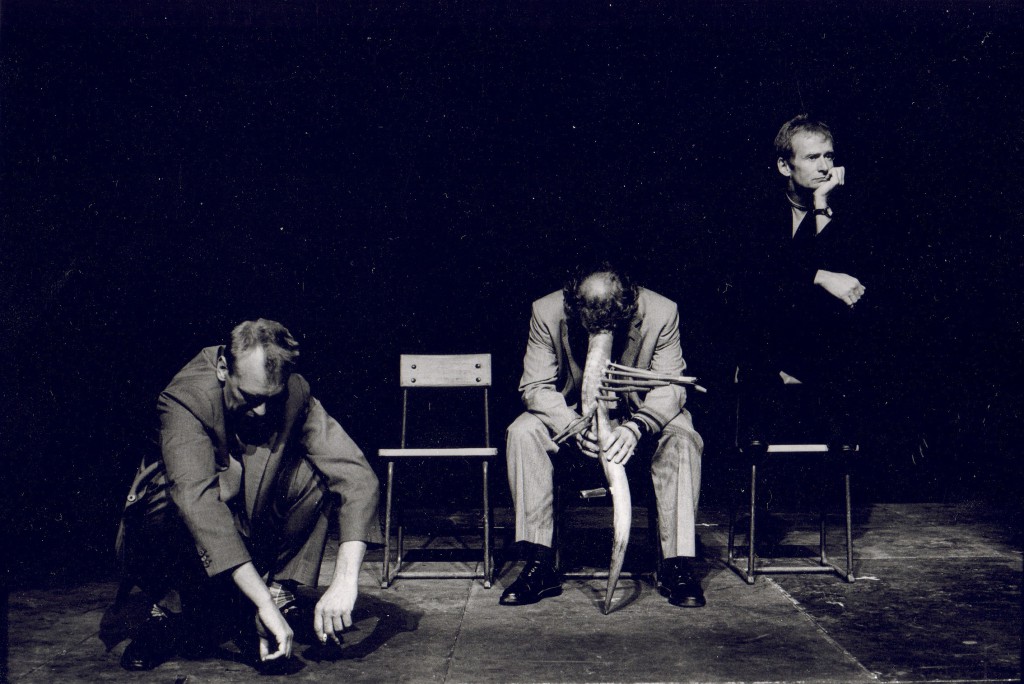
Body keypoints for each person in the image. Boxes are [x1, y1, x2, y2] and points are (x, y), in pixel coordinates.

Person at [115, 319, 382, 671]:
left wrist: (345, 582)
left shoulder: (293, 392)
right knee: (167, 494)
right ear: (223, 368)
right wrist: (261, 606)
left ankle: (280, 592)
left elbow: (357, 476)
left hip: (245, 516)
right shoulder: (185, 397)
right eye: (251, 398)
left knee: (318, 474)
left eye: (271, 399)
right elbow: (198, 505)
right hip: (181, 527)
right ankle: (167, 609)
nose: (262, 412)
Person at [502, 263, 706, 608]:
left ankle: (677, 565)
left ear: (629, 304)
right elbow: (535, 386)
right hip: (572, 419)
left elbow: (671, 386)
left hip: (636, 417)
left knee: (683, 436)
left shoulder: (662, 311)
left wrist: (637, 426)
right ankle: (539, 562)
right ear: (574, 305)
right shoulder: (546, 311)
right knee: (522, 432)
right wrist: (573, 424)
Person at [737, 114, 868, 448]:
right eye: (812, 157)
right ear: (785, 166)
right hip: (767, 340)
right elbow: (753, 276)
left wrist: (821, 205)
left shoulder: (851, 211)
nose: (825, 167)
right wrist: (817, 276)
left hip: (825, 344)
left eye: (829, 156)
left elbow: (844, 284)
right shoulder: (757, 209)